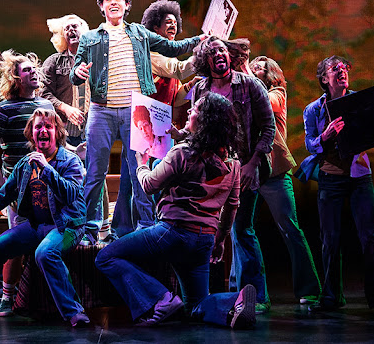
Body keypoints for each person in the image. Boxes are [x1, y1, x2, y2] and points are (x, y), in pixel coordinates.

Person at [95, 92, 256, 329]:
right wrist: (220, 240)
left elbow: (149, 185)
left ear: (206, 121)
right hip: (204, 240)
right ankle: (234, 302)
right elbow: (232, 206)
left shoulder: (182, 154)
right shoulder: (233, 165)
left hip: (173, 233)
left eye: (196, 109)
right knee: (195, 304)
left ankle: (160, 299)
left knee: (106, 257)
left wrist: (141, 164)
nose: (189, 111)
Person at [70, 0, 203, 244]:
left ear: (127, 5)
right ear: (101, 7)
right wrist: (78, 72)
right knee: (95, 173)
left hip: (136, 111)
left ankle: (146, 227)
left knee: (139, 170)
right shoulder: (89, 38)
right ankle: (89, 230)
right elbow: (76, 71)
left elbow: (172, 48)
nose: (113, 2)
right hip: (101, 111)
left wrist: (199, 40)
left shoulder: (140, 33)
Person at [0, 108, 90, 327]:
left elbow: (70, 194)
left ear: (57, 132)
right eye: (38, 127)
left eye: (48, 126)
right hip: (37, 226)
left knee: (45, 253)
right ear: (31, 133)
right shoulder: (25, 164)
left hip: (67, 226)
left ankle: (74, 312)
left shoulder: (70, 161)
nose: (43, 130)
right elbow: (1, 196)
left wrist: (47, 169)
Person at [177, 36, 275, 314]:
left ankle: (257, 296)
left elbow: (268, 128)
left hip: (243, 170)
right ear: (204, 60)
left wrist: (252, 164)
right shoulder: (200, 88)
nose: (219, 54)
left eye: (222, 50)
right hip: (211, 173)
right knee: (214, 232)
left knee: (241, 230)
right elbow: (199, 127)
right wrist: (179, 133)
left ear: (229, 55)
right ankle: (221, 296)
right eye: (212, 52)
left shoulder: (249, 85)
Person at [297, 55, 374, 314]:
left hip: (360, 175)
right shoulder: (313, 109)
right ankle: (331, 297)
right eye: (335, 68)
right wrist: (325, 135)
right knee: (330, 239)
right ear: (324, 78)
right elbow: (310, 144)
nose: (342, 71)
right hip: (331, 177)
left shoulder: (361, 101)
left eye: (344, 67)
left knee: (371, 238)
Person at [108, 0, 199, 241]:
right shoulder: (150, 54)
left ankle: (127, 229)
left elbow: (176, 99)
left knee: (140, 179)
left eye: (175, 22)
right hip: (142, 125)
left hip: (161, 128)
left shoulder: (167, 62)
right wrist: (202, 50)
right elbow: (179, 69)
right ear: (154, 28)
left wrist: (192, 85)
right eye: (167, 22)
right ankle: (134, 231)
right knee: (136, 179)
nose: (172, 26)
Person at [0, 49, 54, 316]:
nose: (33, 72)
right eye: (27, 70)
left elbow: (55, 143)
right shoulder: (3, 109)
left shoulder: (46, 106)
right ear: (15, 78)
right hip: (18, 188)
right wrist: (3, 187)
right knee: (16, 242)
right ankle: (7, 296)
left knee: (46, 241)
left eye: (34, 68)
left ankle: (42, 297)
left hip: (46, 185)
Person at [248, 56, 322, 304]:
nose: (253, 69)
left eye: (259, 67)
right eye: (252, 65)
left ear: (271, 74)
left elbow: (265, 103)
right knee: (241, 232)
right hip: (249, 171)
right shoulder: (243, 93)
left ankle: (309, 290)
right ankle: (247, 293)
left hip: (275, 173)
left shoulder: (277, 93)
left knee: (290, 229)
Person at [41, 14, 91, 147]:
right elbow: (43, 93)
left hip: (92, 129)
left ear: (83, 30)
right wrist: (65, 108)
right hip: (63, 130)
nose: (71, 30)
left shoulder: (95, 59)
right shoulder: (53, 62)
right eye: (66, 28)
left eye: (74, 26)